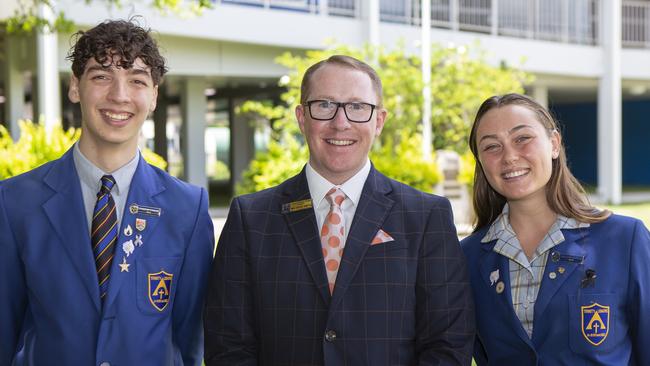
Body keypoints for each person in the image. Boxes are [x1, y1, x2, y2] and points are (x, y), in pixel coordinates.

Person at [203, 54, 475, 365]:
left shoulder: (426, 217)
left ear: (379, 121)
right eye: (324, 105)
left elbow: (448, 344)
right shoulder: (250, 219)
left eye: (358, 107)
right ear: (302, 117)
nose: (340, 122)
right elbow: (228, 346)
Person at [0, 19, 215, 366]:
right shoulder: (14, 203)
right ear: (75, 86)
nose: (120, 95)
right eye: (102, 76)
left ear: (154, 95)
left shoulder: (187, 209)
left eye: (137, 81)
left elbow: (190, 342)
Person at [461, 93, 650, 365]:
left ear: (554, 144)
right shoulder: (468, 258)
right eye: (492, 147)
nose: (509, 156)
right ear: (480, 161)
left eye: (522, 138)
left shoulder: (625, 239)